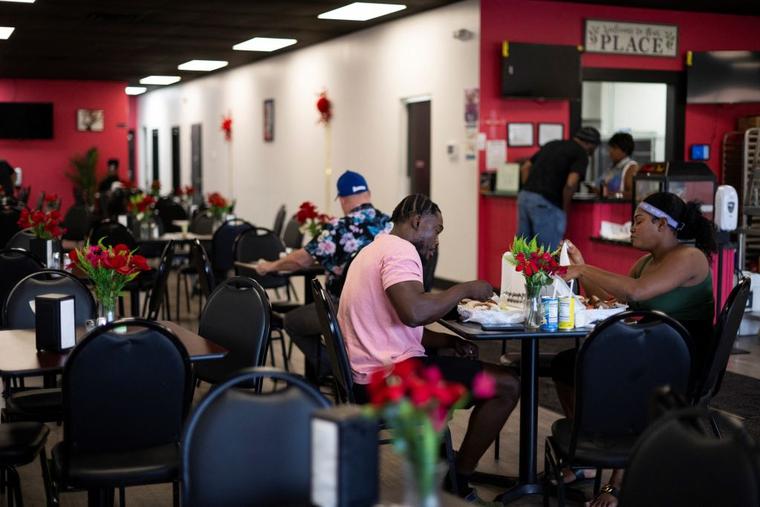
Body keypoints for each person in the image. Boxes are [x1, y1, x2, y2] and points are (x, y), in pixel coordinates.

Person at [338, 194, 520, 504]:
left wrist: (447, 341)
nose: (436, 241)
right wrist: (465, 288)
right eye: (436, 230)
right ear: (417, 221)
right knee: (507, 384)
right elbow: (415, 313)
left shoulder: (374, 248)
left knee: (452, 361)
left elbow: (392, 325)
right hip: (389, 381)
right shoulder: (400, 251)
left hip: (366, 373)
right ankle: (458, 479)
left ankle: (443, 458)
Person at [551, 191, 716, 507]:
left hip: (681, 360)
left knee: (606, 375)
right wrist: (584, 268)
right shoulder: (646, 262)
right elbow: (619, 303)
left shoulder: (689, 257)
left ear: (662, 223)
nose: (632, 227)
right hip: (652, 350)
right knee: (567, 365)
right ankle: (592, 451)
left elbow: (638, 291)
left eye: (638, 221)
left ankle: (618, 478)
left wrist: (585, 271)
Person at [255, 170, 392, 383]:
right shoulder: (389, 225)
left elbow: (301, 260)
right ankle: (343, 367)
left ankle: (335, 367)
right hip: (384, 309)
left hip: (344, 308)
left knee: (292, 322)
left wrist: (270, 266)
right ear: (369, 194)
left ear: (343, 199)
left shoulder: (338, 228)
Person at [518, 126, 601, 250]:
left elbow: (525, 167)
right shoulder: (580, 153)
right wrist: (564, 208)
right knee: (547, 254)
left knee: (524, 251)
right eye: (594, 148)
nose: (593, 153)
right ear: (589, 144)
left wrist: (529, 189)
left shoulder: (552, 144)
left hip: (524, 197)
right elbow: (571, 183)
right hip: (547, 203)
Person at [597, 132, 638, 199]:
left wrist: (611, 194)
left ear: (625, 150)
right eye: (610, 148)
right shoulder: (612, 167)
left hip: (621, 207)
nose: (610, 151)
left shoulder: (631, 167)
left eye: (614, 148)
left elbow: (634, 194)